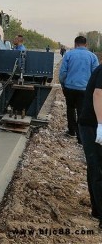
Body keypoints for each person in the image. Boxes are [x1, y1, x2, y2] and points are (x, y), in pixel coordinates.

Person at [59, 36, 99, 141]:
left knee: (70, 108)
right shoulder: (92, 56)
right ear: (86, 44)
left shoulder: (69, 54)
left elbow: (63, 73)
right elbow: (96, 75)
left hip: (70, 87)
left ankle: (71, 131)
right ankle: (81, 137)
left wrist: (63, 84)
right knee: (82, 111)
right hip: (85, 89)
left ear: (75, 44)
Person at [78, 63, 102, 228]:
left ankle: (96, 209)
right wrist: (101, 125)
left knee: (96, 167)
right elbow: (98, 94)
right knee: (98, 168)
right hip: (91, 125)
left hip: (96, 124)